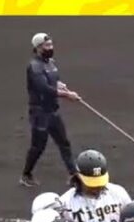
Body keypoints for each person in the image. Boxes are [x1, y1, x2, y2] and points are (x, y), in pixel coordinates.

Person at [21, 32, 78, 188]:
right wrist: (67, 95)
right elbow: (44, 89)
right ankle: (26, 174)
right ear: (38, 48)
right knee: (38, 146)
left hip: (53, 111)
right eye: (47, 46)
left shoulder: (50, 63)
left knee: (64, 143)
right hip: (40, 114)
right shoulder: (34, 66)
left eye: (51, 45)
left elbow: (53, 80)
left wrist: (61, 85)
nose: (50, 48)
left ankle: (74, 174)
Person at [59, 149, 132, 222]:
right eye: (91, 184)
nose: (97, 187)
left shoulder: (118, 193)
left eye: (100, 182)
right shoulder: (65, 203)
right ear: (78, 177)